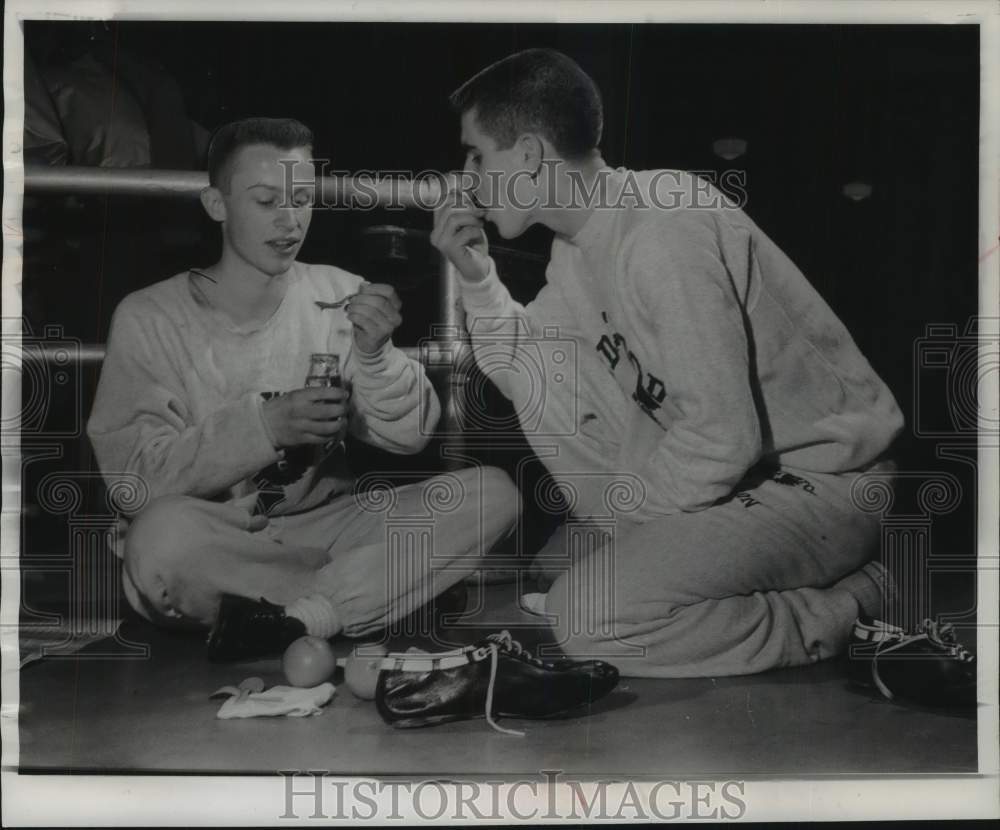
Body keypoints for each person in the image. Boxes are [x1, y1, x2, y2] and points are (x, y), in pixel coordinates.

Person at [431, 49, 904, 678]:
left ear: (527, 155)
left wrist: (627, 526)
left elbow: (720, 437)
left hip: (822, 484)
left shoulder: (662, 227)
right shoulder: (578, 250)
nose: (468, 179)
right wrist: (476, 276)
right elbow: (524, 364)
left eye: (476, 156)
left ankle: (851, 605)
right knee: (562, 568)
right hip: (745, 484)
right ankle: (700, 574)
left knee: (588, 615)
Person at [88, 117, 519, 660]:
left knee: (493, 494)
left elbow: (408, 436)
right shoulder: (149, 316)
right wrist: (264, 426)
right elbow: (133, 484)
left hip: (325, 529)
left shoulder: (339, 292)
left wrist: (376, 354)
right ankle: (375, 591)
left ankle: (299, 615)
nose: (289, 222)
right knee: (158, 544)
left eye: (303, 200)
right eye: (267, 201)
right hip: (220, 537)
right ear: (216, 205)